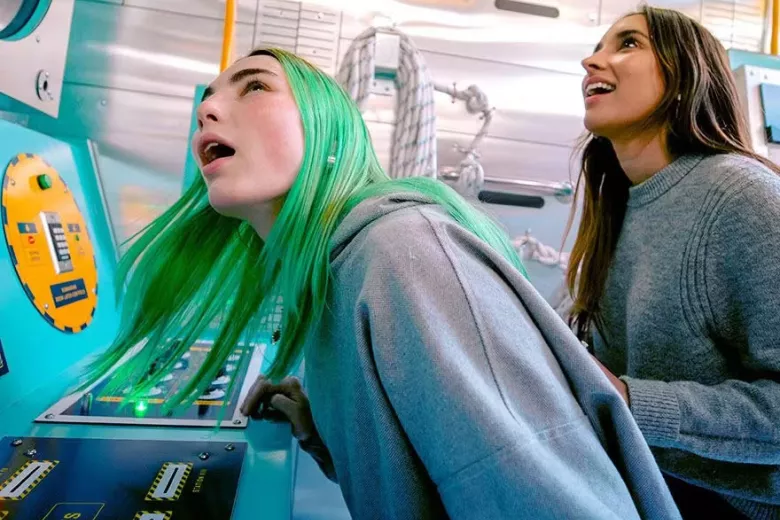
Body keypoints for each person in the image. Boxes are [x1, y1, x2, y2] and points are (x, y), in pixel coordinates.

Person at [81, 48, 681, 519]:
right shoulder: (328, 278)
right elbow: (427, 480)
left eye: (255, 87)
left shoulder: (403, 252)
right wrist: (324, 429)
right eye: (207, 102)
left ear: (331, 134)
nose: (208, 112)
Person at [566, 5, 780, 519]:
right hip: (654, 485)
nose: (591, 61)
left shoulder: (743, 198)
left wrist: (630, 400)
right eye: (598, 46)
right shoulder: (620, 205)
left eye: (628, 43)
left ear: (685, 76)